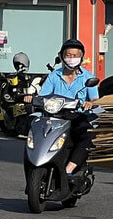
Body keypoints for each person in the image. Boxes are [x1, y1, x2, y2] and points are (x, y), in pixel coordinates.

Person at [26, 39, 99, 176]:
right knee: (34, 134)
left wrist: (90, 103)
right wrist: (32, 98)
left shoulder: (88, 77)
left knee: (88, 136)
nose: (72, 58)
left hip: (77, 116)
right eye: (68, 55)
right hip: (54, 116)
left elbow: (95, 98)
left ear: (81, 57)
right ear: (62, 57)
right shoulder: (54, 76)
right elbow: (43, 96)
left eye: (75, 55)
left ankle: (69, 169)